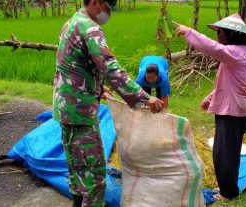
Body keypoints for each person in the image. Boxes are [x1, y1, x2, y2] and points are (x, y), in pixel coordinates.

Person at [53, 0, 164, 206]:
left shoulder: (72, 21)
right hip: (81, 111)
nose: (109, 12)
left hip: (65, 107)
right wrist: (144, 97)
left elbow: (73, 64)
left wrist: (97, 86)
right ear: (95, 2)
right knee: (94, 174)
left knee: (76, 167)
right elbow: (111, 69)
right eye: (107, 6)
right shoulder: (91, 28)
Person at [175, 13, 246, 200]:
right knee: (229, 152)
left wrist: (189, 32)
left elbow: (212, 48)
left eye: (220, 31)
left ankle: (228, 193)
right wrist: (210, 98)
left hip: (233, 112)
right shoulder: (236, 54)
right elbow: (227, 83)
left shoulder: (235, 52)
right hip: (237, 110)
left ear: (231, 34)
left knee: (223, 154)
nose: (218, 35)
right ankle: (228, 187)